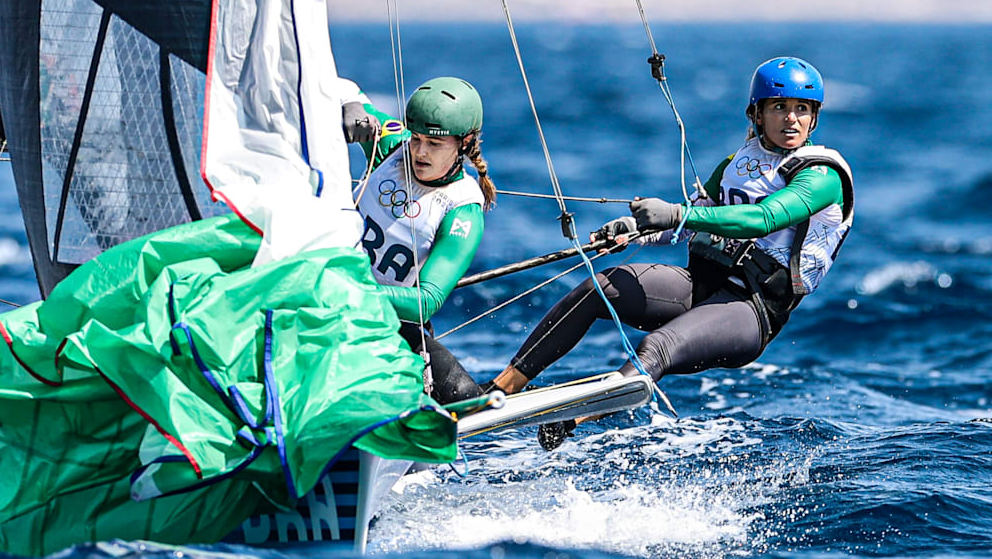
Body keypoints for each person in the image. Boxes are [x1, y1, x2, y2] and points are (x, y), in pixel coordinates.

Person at [481, 56, 854, 448]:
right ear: (757, 114)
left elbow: (763, 218)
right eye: (779, 107)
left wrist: (675, 213)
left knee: (657, 346)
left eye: (802, 109)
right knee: (602, 287)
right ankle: (502, 388)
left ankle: (576, 415)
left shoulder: (822, 175)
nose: (791, 119)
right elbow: (695, 216)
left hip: (750, 310)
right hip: (702, 285)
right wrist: (636, 232)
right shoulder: (738, 163)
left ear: (814, 118)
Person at [341, 77, 498, 405]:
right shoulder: (392, 146)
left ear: (464, 143)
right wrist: (352, 109)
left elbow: (426, 300)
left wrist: (352, 293)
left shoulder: (462, 212)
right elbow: (344, 89)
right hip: (324, 296)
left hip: (389, 322)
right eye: (417, 139)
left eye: (435, 144)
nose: (420, 152)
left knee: (463, 397)